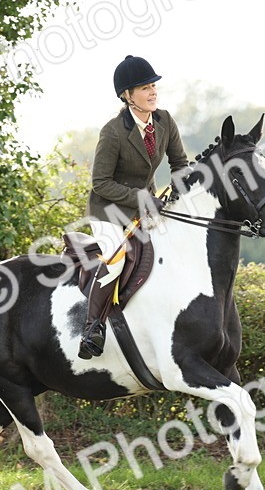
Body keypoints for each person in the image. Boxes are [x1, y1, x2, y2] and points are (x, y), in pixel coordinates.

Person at [78, 55, 189, 359]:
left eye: (153, 86)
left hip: (146, 209)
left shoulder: (165, 121)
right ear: (128, 95)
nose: (153, 92)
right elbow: (100, 183)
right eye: (145, 88)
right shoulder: (113, 132)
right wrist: (142, 199)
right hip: (109, 212)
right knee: (116, 259)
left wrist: (181, 190)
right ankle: (92, 328)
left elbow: (180, 163)